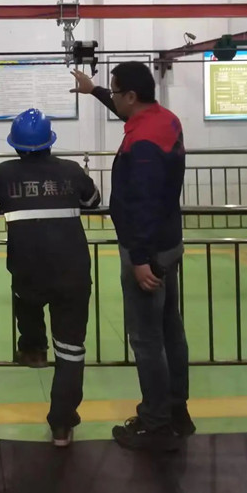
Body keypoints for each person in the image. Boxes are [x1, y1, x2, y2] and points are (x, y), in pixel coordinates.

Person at [71, 63, 193, 451]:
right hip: (169, 244)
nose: (113, 97)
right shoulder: (164, 120)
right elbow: (126, 110)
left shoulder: (142, 144)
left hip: (148, 252)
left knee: (146, 338)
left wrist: (139, 259)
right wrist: (93, 90)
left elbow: (143, 203)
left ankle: (156, 424)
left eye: (114, 91)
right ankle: (177, 410)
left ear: (131, 96)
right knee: (170, 330)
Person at [0, 109, 100, 447]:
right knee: (70, 349)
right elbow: (93, 201)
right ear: (50, 141)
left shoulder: (4, 173)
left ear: (16, 145)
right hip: (73, 273)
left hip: (27, 271)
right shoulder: (71, 170)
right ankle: (62, 423)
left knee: (26, 301)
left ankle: (33, 347)